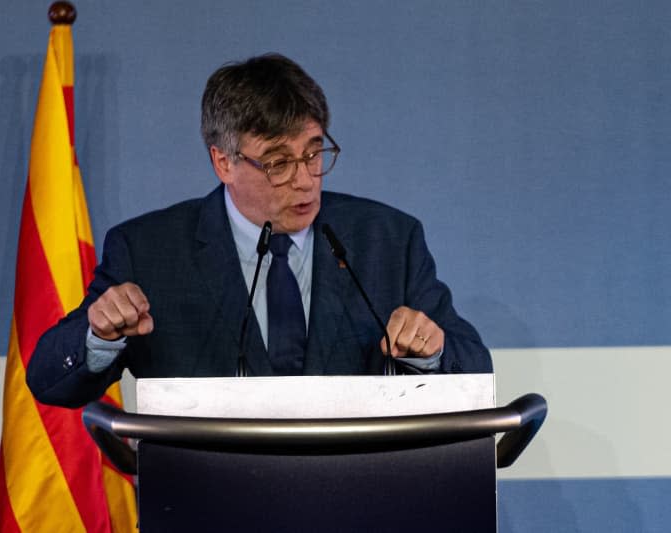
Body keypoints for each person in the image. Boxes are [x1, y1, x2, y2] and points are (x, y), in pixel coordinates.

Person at [27, 53, 492, 408]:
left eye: (314, 152)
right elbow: (49, 380)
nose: (306, 178)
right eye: (278, 162)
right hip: (207, 500)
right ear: (223, 162)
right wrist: (100, 333)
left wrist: (431, 352)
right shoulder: (149, 251)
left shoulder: (388, 240)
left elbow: (473, 368)